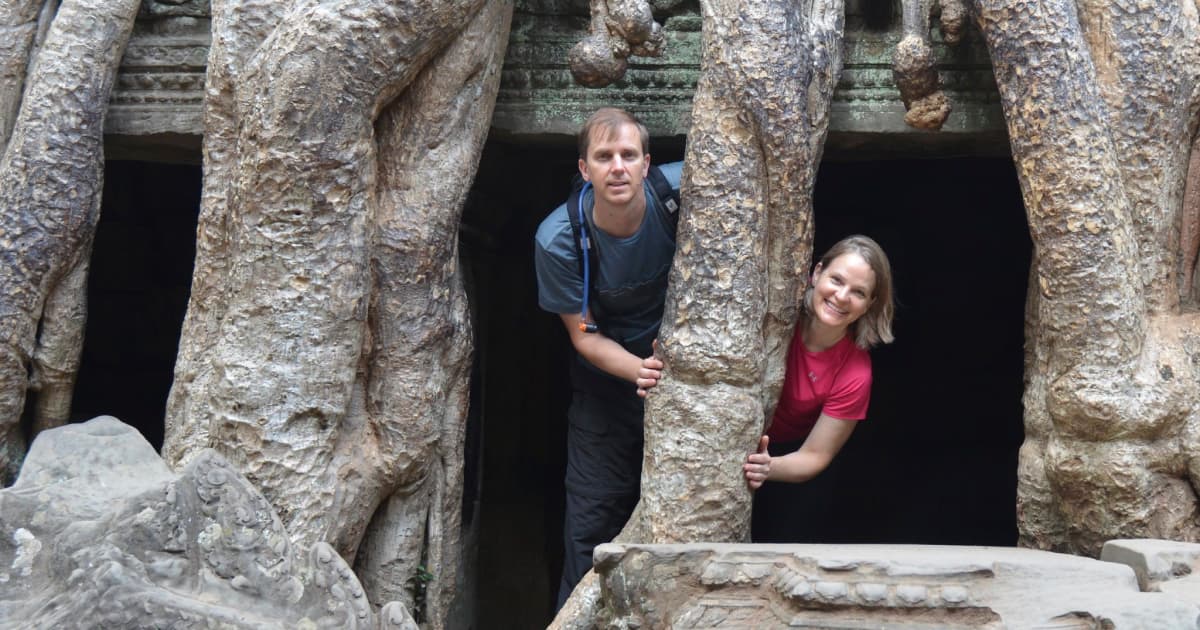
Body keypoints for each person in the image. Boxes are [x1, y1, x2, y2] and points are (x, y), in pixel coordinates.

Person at [533, 107, 683, 607]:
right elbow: (584, 335)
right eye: (603, 156)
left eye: (627, 155)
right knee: (591, 526)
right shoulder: (560, 239)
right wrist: (641, 370)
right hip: (606, 386)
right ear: (584, 169)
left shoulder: (683, 193)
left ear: (646, 163)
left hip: (687, 380)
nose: (617, 166)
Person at [742, 234, 895, 542]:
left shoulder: (855, 371)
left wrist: (768, 467)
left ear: (869, 305)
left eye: (858, 292)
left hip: (786, 456)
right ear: (816, 273)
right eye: (836, 280)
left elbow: (814, 456)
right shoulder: (775, 316)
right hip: (740, 432)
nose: (841, 296)